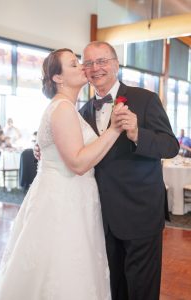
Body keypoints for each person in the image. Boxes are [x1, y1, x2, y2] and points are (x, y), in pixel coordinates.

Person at [34, 42, 179, 300]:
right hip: (99, 218)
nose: (95, 68)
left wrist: (137, 134)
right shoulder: (80, 112)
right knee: (111, 288)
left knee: (142, 290)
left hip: (140, 214)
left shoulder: (145, 99)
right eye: (88, 63)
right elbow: (72, 149)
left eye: (102, 61)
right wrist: (46, 148)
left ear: (115, 64)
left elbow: (170, 146)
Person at [0, 48, 125, 300]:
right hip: (65, 201)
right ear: (58, 78)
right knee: (64, 268)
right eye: (74, 65)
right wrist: (115, 130)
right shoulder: (63, 108)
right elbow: (77, 162)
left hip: (69, 196)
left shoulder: (68, 108)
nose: (82, 67)